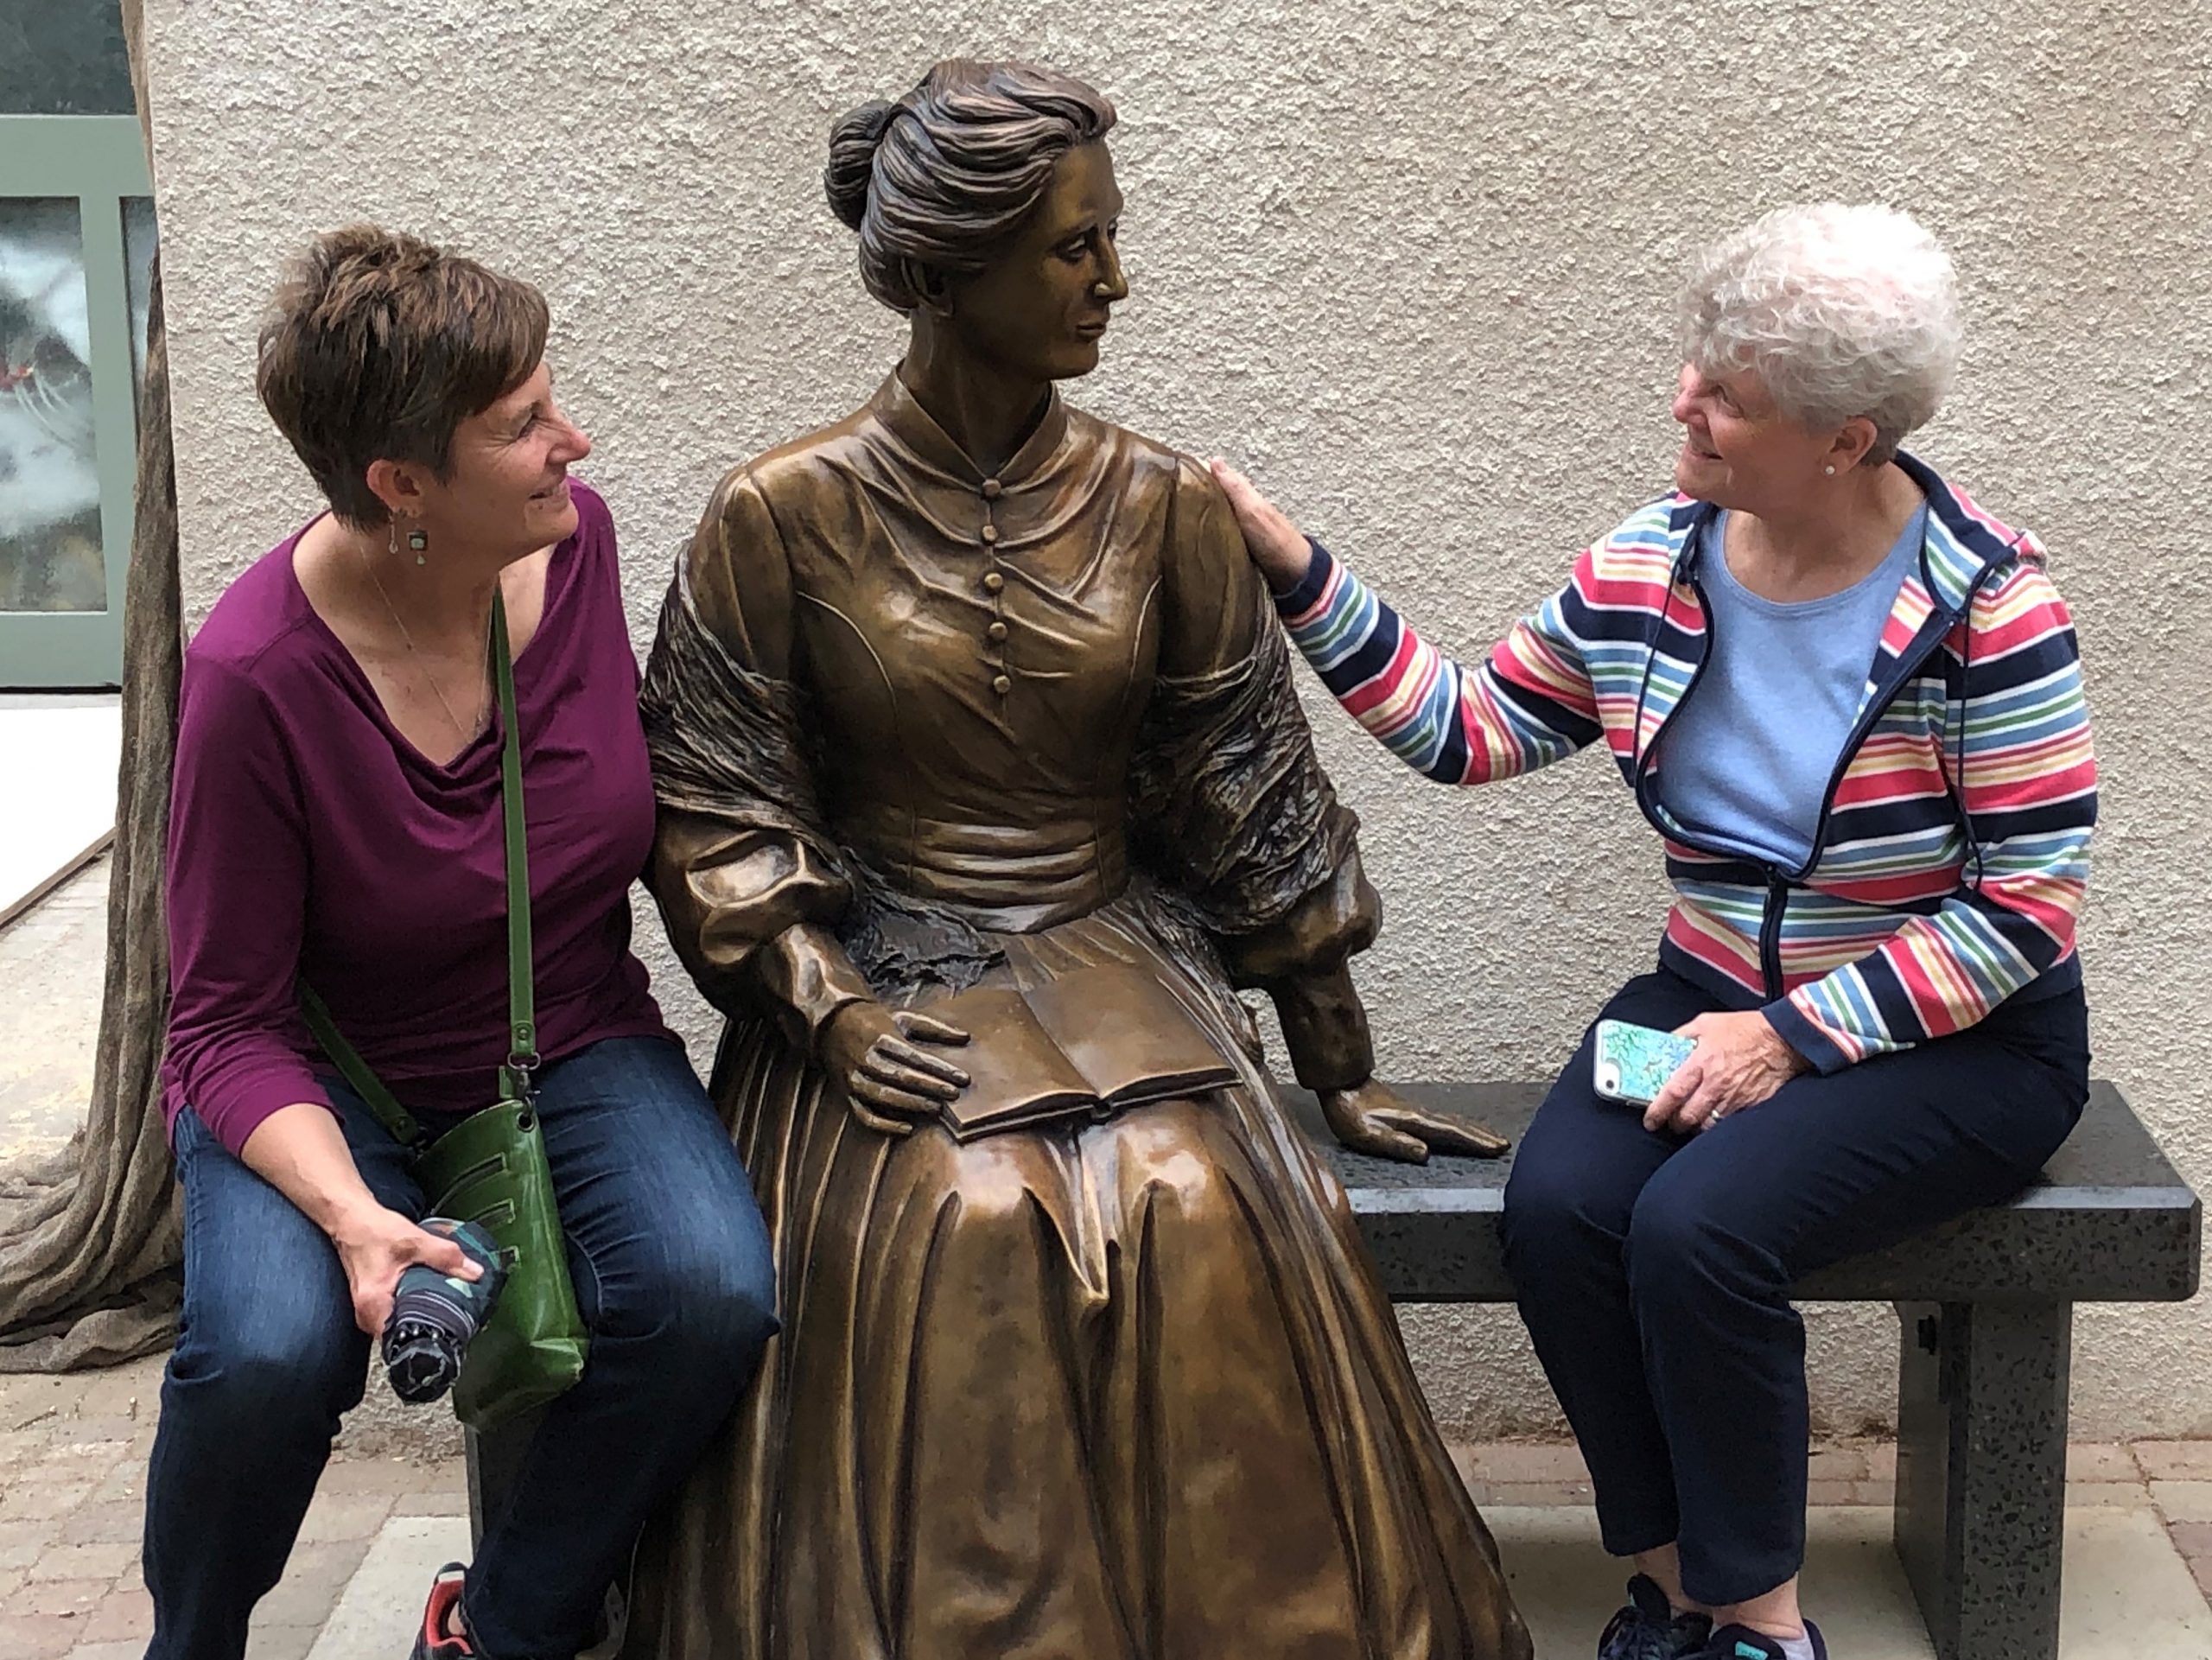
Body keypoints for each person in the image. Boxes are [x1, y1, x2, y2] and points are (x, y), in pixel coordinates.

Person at [625, 58, 1529, 1660]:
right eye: (1073, 247)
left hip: (1117, 943)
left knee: (1188, 1195)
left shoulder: (1166, 503)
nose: (1116, 278)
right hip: (881, 967)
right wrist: (823, 1005)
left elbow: (1246, 785)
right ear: (949, 271)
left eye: (1111, 236)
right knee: (974, 1212)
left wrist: (1335, 1058)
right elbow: (719, 803)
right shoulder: (773, 516)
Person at [1211, 202, 2094, 1660]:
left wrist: (1790, 1037)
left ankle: (1765, 1627)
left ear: (1846, 440)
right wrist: (1298, 566)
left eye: (1728, 395)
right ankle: (1683, 1586)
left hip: (1961, 1040)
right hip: (1715, 996)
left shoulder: (1990, 607)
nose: (1684, 401)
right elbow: (1469, 728)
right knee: (1561, 1208)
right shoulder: (1653, 566)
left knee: (1700, 1227)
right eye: (1698, 365)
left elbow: (2028, 905)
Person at [147, 226, 777, 1660]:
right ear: (401, 484)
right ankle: (192, 1639)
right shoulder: (253, 678)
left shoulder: (580, 547)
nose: (575, 440)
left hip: (567, 1028)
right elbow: (223, 1021)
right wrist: (355, 1221)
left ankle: (501, 1626)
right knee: (266, 1353)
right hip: (321, 1082)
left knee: (708, 1294)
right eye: (523, 425)